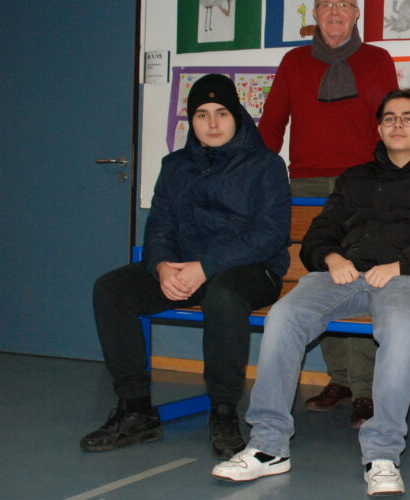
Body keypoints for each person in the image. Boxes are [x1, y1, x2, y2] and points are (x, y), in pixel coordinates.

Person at [212, 89, 410, 496]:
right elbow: (319, 234)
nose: (397, 125)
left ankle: (383, 454)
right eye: (389, 118)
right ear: (379, 127)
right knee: (283, 316)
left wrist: (402, 266)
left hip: (409, 279)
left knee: (401, 326)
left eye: (408, 118)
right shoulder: (356, 177)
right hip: (345, 275)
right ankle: (268, 445)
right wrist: (331, 257)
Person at [80, 74, 291, 459]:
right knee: (111, 289)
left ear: (238, 115)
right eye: (201, 114)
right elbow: (159, 224)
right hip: (184, 269)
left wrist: (204, 267)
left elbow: (270, 236)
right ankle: (136, 410)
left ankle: (223, 410)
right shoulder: (175, 165)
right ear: (190, 121)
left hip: (251, 270)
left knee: (224, 297)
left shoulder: (267, 165)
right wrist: (161, 266)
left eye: (222, 113)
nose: (212, 123)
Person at [258, 0, 399, 428]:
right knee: (321, 277)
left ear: (356, 13)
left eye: (343, 5)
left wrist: (391, 177)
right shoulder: (294, 61)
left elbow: (390, 121)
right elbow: (272, 121)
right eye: (325, 6)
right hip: (305, 183)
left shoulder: (376, 59)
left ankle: (365, 389)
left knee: (359, 279)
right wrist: (258, 175)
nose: (334, 12)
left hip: (362, 184)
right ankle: (338, 378)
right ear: (314, 15)